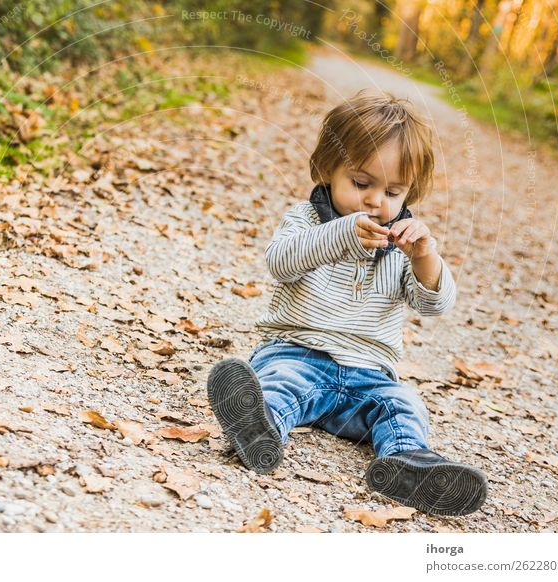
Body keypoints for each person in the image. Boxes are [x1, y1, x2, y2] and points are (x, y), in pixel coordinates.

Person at [207, 89, 487, 516]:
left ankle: (407, 464)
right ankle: (258, 432)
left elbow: (434, 304)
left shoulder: (404, 243)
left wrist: (426, 257)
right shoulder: (307, 220)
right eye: (361, 184)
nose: (377, 201)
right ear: (328, 170)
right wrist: (340, 235)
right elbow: (280, 263)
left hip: (368, 377)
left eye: (394, 192)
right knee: (279, 385)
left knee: (404, 403)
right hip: (297, 354)